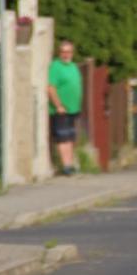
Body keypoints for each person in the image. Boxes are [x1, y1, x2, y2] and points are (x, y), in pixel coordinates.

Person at [48, 39, 82, 175]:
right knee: (63, 137)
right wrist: (58, 105)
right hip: (61, 109)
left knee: (71, 137)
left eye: (69, 52)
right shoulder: (56, 67)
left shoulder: (73, 66)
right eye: (63, 52)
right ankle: (66, 165)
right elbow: (51, 87)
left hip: (73, 109)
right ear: (59, 53)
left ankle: (70, 163)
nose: (66, 54)